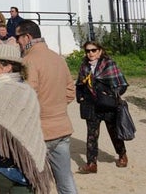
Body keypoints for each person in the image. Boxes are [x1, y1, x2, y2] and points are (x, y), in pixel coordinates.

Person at [0, 43, 56, 194]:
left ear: (7, 66)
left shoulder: (1, 91)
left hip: (3, 168)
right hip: (27, 166)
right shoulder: (27, 91)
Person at [17, 20, 78, 194]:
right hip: (62, 126)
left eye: (18, 37)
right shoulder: (57, 57)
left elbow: (28, 95)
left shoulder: (29, 60)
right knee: (65, 180)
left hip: (40, 131)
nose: (17, 42)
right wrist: (55, 107)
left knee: (36, 183)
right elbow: (69, 91)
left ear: (27, 37)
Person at [74, 41, 128, 173]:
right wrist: (80, 96)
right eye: (87, 51)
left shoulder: (109, 64)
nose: (90, 53)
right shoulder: (84, 66)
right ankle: (92, 164)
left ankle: (122, 154)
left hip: (108, 105)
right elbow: (80, 83)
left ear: (100, 51)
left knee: (114, 132)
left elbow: (122, 84)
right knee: (92, 135)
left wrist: (111, 94)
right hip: (91, 105)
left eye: (93, 50)